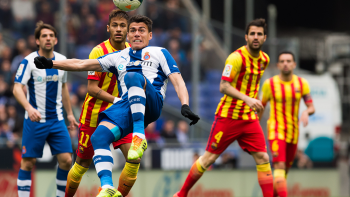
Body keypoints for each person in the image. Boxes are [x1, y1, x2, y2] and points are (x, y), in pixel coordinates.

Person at [34, 15, 200, 197]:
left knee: (132, 76)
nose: (137, 34)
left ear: (150, 35)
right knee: (98, 137)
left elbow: (177, 80)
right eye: (133, 30)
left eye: (141, 30)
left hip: (151, 103)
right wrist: (51, 63)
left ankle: (139, 136)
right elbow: (81, 63)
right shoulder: (117, 57)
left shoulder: (160, 53)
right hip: (125, 107)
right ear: (128, 35)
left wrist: (185, 104)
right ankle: (107, 188)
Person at [173, 18, 274, 197]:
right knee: (208, 159)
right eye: (252, 34)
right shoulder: (236, 58)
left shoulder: (264, 60)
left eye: (259, 34)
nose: (256, 37)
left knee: (263, 158)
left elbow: (252, 85)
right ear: (246, 37)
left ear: (264, 37)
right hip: (228, 117)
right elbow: (223, 86)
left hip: (249, 119)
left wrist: (256, 105)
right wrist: (247, 100)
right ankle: (182, 193)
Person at [64, 9, 141, 197]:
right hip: (93, 114)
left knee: (134, 159)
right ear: (108, 28)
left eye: (123, 26)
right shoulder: (98, 51)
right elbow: (91, 88)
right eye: (115, 25)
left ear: (128, 29)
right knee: (82, 164)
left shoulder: (134, 51)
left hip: (119, 116)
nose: (118, 29)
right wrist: (116, 99)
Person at [13, 21, 78, 197]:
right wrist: (29, 107)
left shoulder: (62, 60)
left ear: (56, 40)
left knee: (66, 160)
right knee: (28, 162)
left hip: (57, 120)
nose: (48, 38)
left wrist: (70, 114)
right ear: (37, 41)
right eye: (44, 36)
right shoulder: (28, 61)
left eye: (51, 36)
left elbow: (64, 87)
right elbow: (17, 88)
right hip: (35, 120)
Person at [260, 51, 315, 197]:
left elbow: (311, 107)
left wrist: (306, 112)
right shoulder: (269, 84)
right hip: (276, 130)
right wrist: (252, 129)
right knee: (279, 166)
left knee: (283, 174)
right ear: (278, 65)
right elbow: (260, 108)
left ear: (294, 64)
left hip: (293, 132)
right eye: (282, 61)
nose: (285, 64)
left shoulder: (301, 84)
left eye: (288, 61)